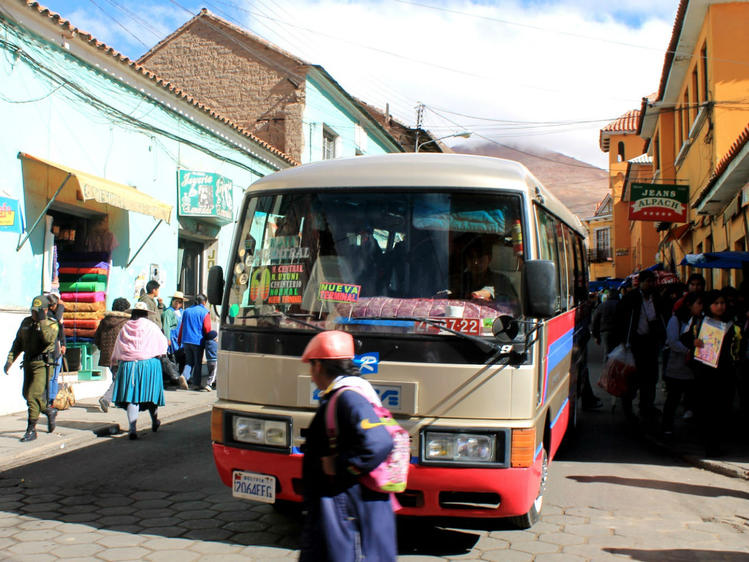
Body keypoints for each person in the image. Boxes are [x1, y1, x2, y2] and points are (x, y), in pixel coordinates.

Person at [299, 330, 396, 562]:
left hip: (346, 507)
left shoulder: (348, 398)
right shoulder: (345, 395)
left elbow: (379, 442)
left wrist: (343, 466)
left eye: (311, 368)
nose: (311, 377)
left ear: (319, 366)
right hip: (341, 506)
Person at [688, 289, 742, 457]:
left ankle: (717, 443)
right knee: (707, 410)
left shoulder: (731, 324)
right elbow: (685, 339)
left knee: (722, 409)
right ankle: (709, 445)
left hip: (725, 374)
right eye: (716, 303)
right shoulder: (700, 324)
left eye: (722, 303)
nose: (720, 306)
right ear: (709, 305)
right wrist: (694, 342)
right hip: (706, 374)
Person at [4, 295, 60, 442]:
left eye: (37, 311)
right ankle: (49, 410)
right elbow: (18, 342)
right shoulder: (26, 322)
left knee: (32, 395)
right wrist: (10, 360)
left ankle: (31, 429)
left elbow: (48, 339)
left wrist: (42, 321)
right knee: (26, 394)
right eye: (32, 311)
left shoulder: (51, 324)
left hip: (43, 365)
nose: (33, 314)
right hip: (29, 362)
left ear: (45, 310)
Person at [110, 302, 169, 439]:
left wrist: (114, 362)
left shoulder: (125, 327)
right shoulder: (151, 326)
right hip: (149, 365)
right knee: (151, 395)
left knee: (132, 397)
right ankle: (154, 420)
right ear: (146, 314)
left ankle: (132, 428)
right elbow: (162, 344)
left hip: (129, 366)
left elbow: (118, 346)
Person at [614, 269, 666, 421]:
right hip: (634, 342)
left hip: (651, 342)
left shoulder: (656, 298)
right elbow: (620, 318)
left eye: (652, 281)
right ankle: (628, 408)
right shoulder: (631, 298)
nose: (650, 284)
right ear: (641, 283)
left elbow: (662, 316)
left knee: (650, 377)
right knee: (632, 377)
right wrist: (622, 339)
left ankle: (646, 406)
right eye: (647, 281)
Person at [662, 292, 702, 436]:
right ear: (689, 305)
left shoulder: (699, 321)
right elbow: (672, 342)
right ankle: (667, 426)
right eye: (698, 304)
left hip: (693, 368)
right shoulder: (676, 320)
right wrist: (689, 349)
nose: (701, 307)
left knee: (693, 399)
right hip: (677, 367)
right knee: (673, 398)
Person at [94, 297, 131, 412]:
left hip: (108, 355)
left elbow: (96, 338)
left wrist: (104, 349)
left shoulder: (104, 321)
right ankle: (106, 398)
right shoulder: (126, 323)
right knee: (120, 378)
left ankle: (118, 400)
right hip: (121, 355)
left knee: (116, 376)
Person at [178, 294, 211, 390]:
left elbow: (182, 326)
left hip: (186, 340)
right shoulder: (204, 312)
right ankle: (196, 384)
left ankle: (184, 375)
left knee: (189, 361)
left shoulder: (186, 311)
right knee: (197, 363)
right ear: (204, 302)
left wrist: (180, 339)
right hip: (198, 341)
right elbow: (207, 328)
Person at [162, 291, 187, 389]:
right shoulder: (168, 312)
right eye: (175, 302)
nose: (177, 304)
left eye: (179, 302)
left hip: (180, 338)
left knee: (181, 358)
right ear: (172, 301)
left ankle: (180, 377)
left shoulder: (182, 312)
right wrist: (167, 338)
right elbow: (166, 326)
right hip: (172, 338)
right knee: (172, 358)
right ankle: (173, 378)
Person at [45, 292, 65, 406]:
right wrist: (61, 306)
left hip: (58, 348)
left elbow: (62, 330)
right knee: (51, 376)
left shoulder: (57, 315)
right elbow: (57, 320)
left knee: (55, 377)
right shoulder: (49, 316)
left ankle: (52, 399)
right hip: (52, 350)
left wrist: (64, 344)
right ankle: (49, 399)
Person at [592, 288, 619, 359]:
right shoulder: (621, 304)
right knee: (618, 351)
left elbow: (595, 321)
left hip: (606, 332)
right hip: (618, 332)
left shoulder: (602, 306)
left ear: (608, 296)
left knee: (607, 351)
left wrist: (596, 336)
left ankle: (607, 368)